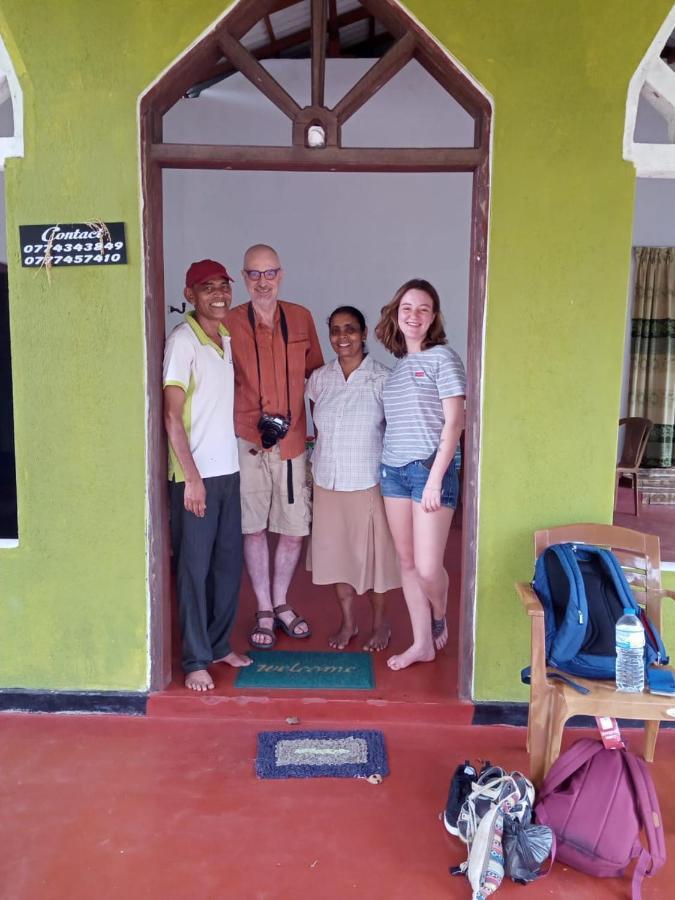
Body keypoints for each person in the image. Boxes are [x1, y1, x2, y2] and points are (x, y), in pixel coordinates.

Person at [227, 244, 324, 648]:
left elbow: (318, 377)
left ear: (281, 275)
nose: (263, 282)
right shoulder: (228, 322)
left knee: (293, 529)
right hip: (247, 440)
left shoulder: (301, 317)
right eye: (254, 274)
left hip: (292, 442)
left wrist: (323, 434)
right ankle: (265, 608)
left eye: (270, 273)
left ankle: (282, 602)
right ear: (244, 278)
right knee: (252, 529)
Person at [163, 259, 252, 691]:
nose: (218, 294)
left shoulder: (227, 337)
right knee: (194, 572)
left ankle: (218, 644)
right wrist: (192, 478)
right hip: (195, 478)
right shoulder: (184, 341)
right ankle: (195, 658)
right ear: (190, 294)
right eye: (207, 288)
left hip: (229, 472)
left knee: (227, 567)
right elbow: (172, 416)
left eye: (223, 286)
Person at [375, 278, 465, 671]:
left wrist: (433, 479)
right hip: (392, 471)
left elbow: (454, 425)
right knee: (407, 562)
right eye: (407, 308)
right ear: (397, 313)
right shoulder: (396, 369)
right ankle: (421, 643)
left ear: (433, 318)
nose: (414, 315)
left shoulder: (443, 359)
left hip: (431, 471)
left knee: (429, 568)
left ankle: (440, 608)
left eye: (423, 309)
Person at [306, 306, 400, 651]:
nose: (342, 337)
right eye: (335, 330)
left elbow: (393, 432)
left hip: (368, 483)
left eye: (350, 330)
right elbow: (318, 428)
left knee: (373, 562)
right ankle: (348, 623)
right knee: (336, 559)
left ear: (363, 334)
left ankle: (381, 624)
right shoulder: (319, 378)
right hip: (328, 482)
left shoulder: (383, 379)